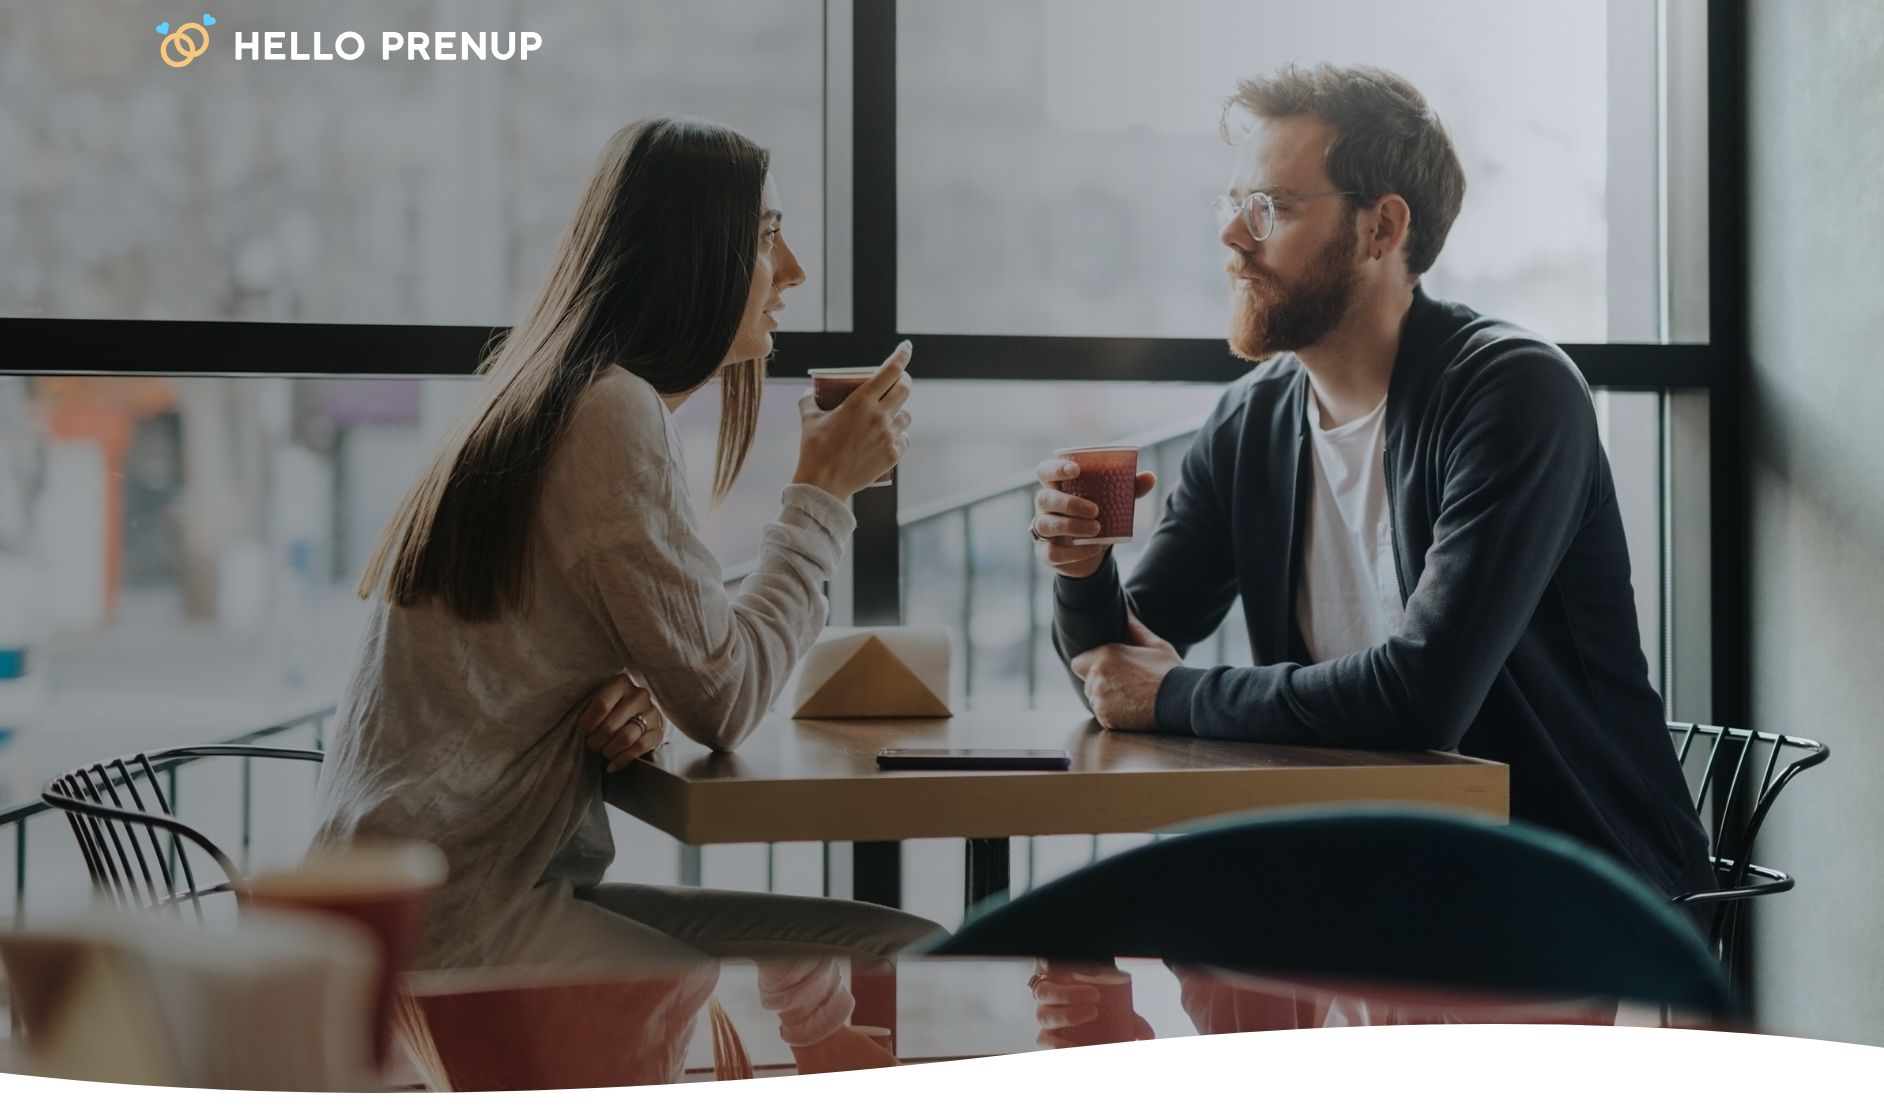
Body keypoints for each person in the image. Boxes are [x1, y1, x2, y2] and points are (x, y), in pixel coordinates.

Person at [310, 116, 940, 1075]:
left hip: (414, 899)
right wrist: (822, 497)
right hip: (461, 927)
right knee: (909, 958)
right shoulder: (610, 413)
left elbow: (659, 653)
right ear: (695, 255)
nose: (795, 270)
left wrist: (625, 675)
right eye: (768, 236)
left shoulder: (548, 389)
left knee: (886, 941)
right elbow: (726, 700)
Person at [1029, 64, 1715, 915]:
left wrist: (1173, 693)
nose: (1233, 238)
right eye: (1232, 205)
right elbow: (1119, 671)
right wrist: (1082, 568)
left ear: (1382, 226)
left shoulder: (1513, 393)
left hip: (1554, 885)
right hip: (1362, 867)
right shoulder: (1250, 425)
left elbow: (1421, 699)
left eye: (1271, 209)